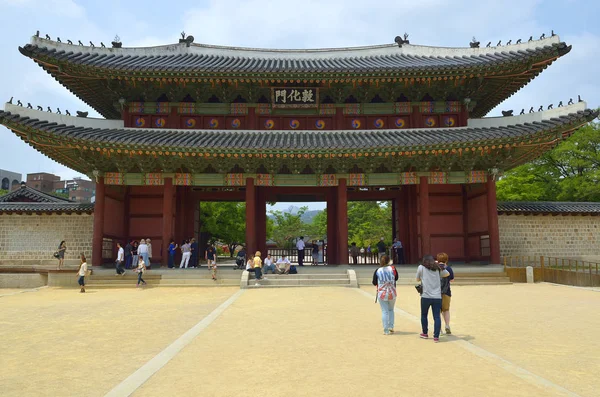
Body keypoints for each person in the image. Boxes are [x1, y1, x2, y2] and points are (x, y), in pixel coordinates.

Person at [416, 254, 450, 343]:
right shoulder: (438, 268)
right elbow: (447, 274)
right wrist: (439, 265)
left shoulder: (421, 267)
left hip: (425, 296)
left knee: (424, 315)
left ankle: (425, 333)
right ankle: (436, 336)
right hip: (437, 296)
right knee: (436, 317)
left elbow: (417, 279)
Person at [372, 254, 398, 335]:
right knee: (391, 310)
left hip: (382, 292)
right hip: (392, 292)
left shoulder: (378, 270)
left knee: (384, 311)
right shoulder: (393, 269)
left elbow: (374, 282)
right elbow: (396, 278)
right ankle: (391, 326)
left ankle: (385, 329)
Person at [437, 252, 455, 335]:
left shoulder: (435, 268)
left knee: (437, 311)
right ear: (446, 260)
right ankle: (447, 325)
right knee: (446, 310)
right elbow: (452, 279)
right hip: (447, 292)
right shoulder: (449, 268)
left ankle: (439, 329)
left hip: (436, 292)